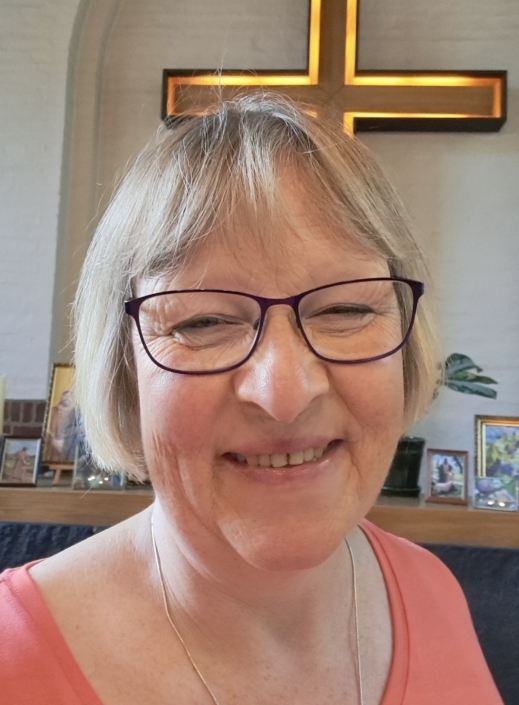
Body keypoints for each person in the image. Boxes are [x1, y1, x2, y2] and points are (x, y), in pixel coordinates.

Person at [0, 95, 503, 704]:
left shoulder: (433, 592)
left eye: (345, 308)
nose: (284, 395)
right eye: (204, 322)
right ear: (124, 370)